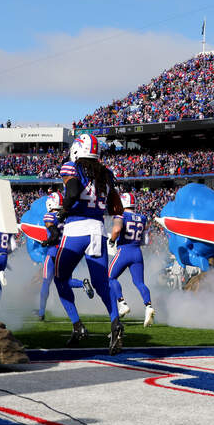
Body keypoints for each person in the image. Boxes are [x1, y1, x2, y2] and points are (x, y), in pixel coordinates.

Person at [43, 134, 125, 353]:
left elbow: (71, 192)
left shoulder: (71, 167)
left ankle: (77, 325)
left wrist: (62, 213)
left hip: (76, 229)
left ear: (77, 150)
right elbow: (116, 207)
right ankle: (115, 322)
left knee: (60, 278)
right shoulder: (106, 174)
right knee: (101, 284)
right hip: (98, 230)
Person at [36, 192, 93, 321]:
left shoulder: (49, 216)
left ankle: (41, 312)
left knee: (46, 282)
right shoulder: (68, 216)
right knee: (65, 281)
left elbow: (54, 235)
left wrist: (46, 242)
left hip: (53, 252)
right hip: (67, 251)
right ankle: (82, 284)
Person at [108, 192, 156, 326]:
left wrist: (112, 240)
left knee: (110, 278)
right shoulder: (142, 217)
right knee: (140, 283)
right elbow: (145, 240)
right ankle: (148, 306)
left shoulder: (121, 215)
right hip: (137, 252)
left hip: (124, 250)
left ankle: (122, 303)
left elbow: (117, 229)